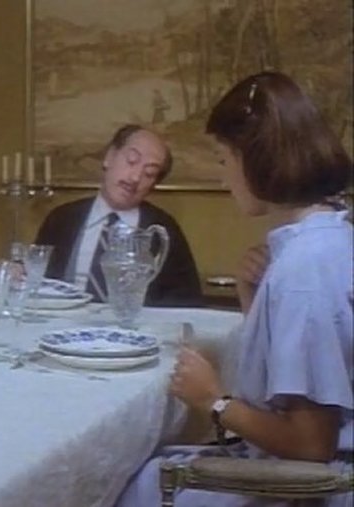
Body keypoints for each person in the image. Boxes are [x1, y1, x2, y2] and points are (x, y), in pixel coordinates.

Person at [116, 72, 353, 505]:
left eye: (225, 159)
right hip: (296, 469)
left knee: (123, 484)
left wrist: (214, 400)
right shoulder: (330, 238)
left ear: (256, 159)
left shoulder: (303, 272)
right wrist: (252, 298)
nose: (224, 177)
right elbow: (288, 376)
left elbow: (311, 445)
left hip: (305, 489)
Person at [34, 124, 203, 307]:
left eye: (149, 173)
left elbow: (187, 301)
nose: (135, 178)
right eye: (131, 161)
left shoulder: (163, 230)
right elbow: (38, 281)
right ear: (109, 157)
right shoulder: (61, 218)